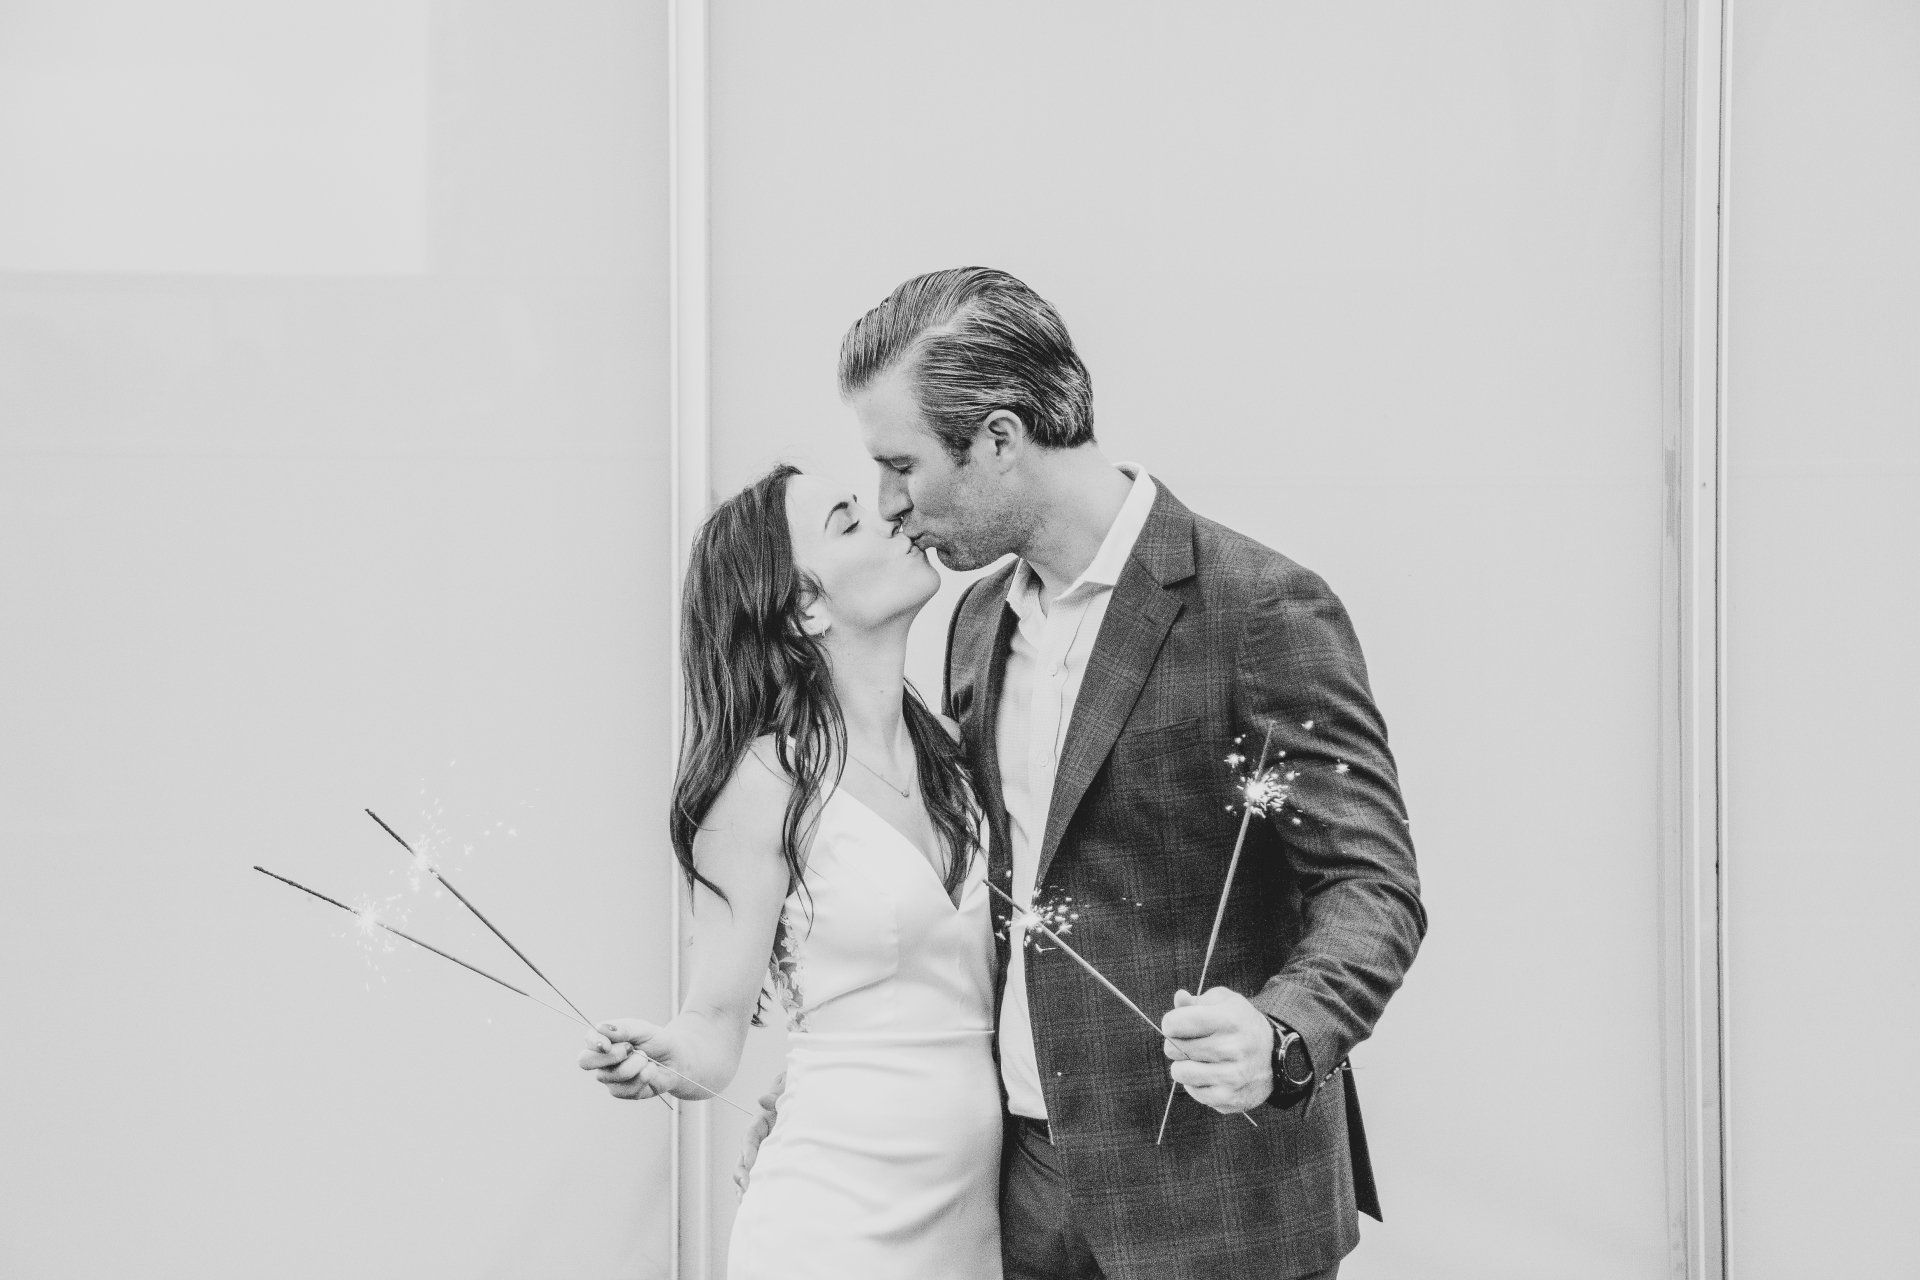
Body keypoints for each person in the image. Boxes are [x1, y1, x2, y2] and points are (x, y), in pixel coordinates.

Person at [837, 267, 1428, 1280]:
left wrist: (1282, 1032)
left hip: (1217, 1200)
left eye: (903, 464)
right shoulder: (976, 622)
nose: (890, 504)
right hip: (1020, 1189)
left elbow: (1374, 886)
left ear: (1000, 438)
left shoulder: (1261, 607)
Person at [577, 464, 1004, 1279]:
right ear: (805, 606)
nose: (889, 513)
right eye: (848, 521)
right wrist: (661, 1053)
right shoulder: (764, 784)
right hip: (833, 1226)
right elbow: (713, 1029)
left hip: (979, 1229)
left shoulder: (960, 751)